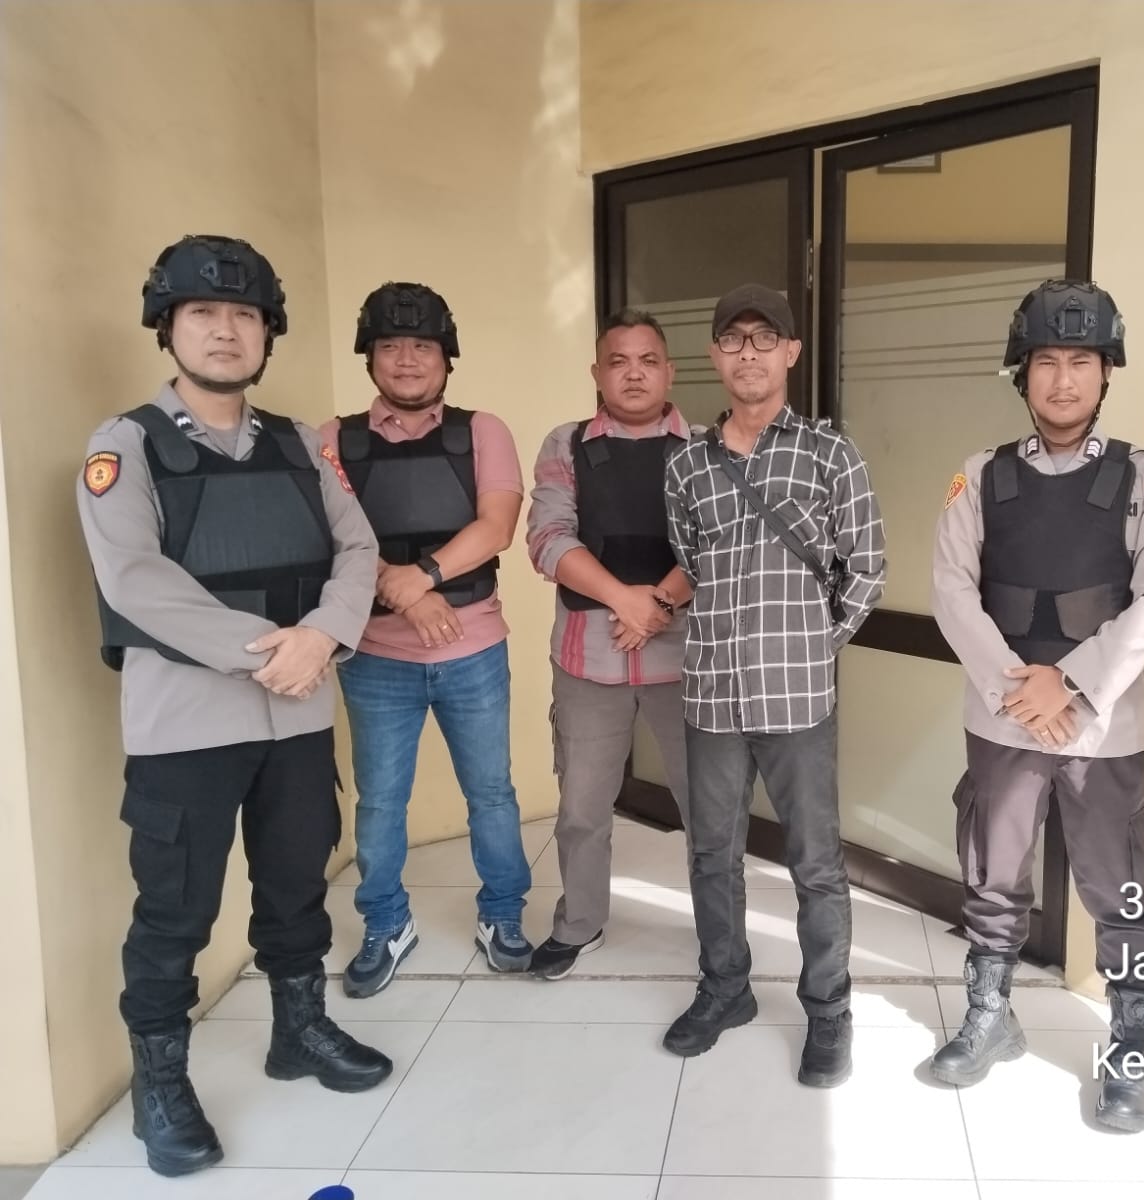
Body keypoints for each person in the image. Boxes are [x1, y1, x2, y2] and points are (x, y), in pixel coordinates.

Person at [78, 234, 391, 1178]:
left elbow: (359, 551)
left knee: (297, 886)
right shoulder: (124, 445)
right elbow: (135, 580)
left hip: (297, 717)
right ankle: (161, 1088)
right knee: (174, 912)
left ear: (267, 332)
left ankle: (300, 1032)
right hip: (186, 725)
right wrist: (277, 651)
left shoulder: (300, 445)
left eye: (244, 315)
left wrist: (322, 637)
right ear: (167, 326)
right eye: (204, 313)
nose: (225, 330)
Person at [928, 280, 1144, 1131]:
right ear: (1023, 372)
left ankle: (1129, 1046)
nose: (1064, 379)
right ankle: (990, 1015)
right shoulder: (979, 475)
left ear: (1106, 372)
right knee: (993, 869)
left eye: (1082, 361)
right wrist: (1020, 684)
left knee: (1121, 884)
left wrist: (1068, 683)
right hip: (1002, 714)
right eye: (1047, 361)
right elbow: (951, 591)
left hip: (1102, 725)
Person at [660, 284, 885, 1086]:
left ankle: (829, 1011)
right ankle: (725, 988)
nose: (747, 353)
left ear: (791, 352)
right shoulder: (687, 463)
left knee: (815, 862)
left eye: (764, 338)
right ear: (714, 355)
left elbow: (867, 567)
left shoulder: (830, 454)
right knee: (710, 855)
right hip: (711, 698)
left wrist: (812, 647)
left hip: (799, 701)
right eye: (732, 339)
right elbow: (691, 560)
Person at [324, 282, 531, 997]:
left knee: (492, 794)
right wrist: (406, 591)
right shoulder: (333, 439)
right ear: (370, 356)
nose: (407, 359)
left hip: (473, 649)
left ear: (446, 357)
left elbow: (496, 526)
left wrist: (425, 575)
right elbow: (332, 537)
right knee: (380, 802)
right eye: (390, 345)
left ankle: (503, 914)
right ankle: (386, 922)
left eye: (422, 345)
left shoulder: (483, 431)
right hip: (375, 657)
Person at [525, 307, 696, 979]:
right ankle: (580, 922)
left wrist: (657, 604)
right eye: (618, 361)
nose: (634, 374)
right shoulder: (565, 444)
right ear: (597, 373)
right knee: (581, 808)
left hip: (689, 663)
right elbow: (548, 539)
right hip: (587, 659)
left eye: (648, 361)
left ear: (669, 371)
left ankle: (720, 932)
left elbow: (720, 544)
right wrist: (627, 599)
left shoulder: (705, 448)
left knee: (709, 809)